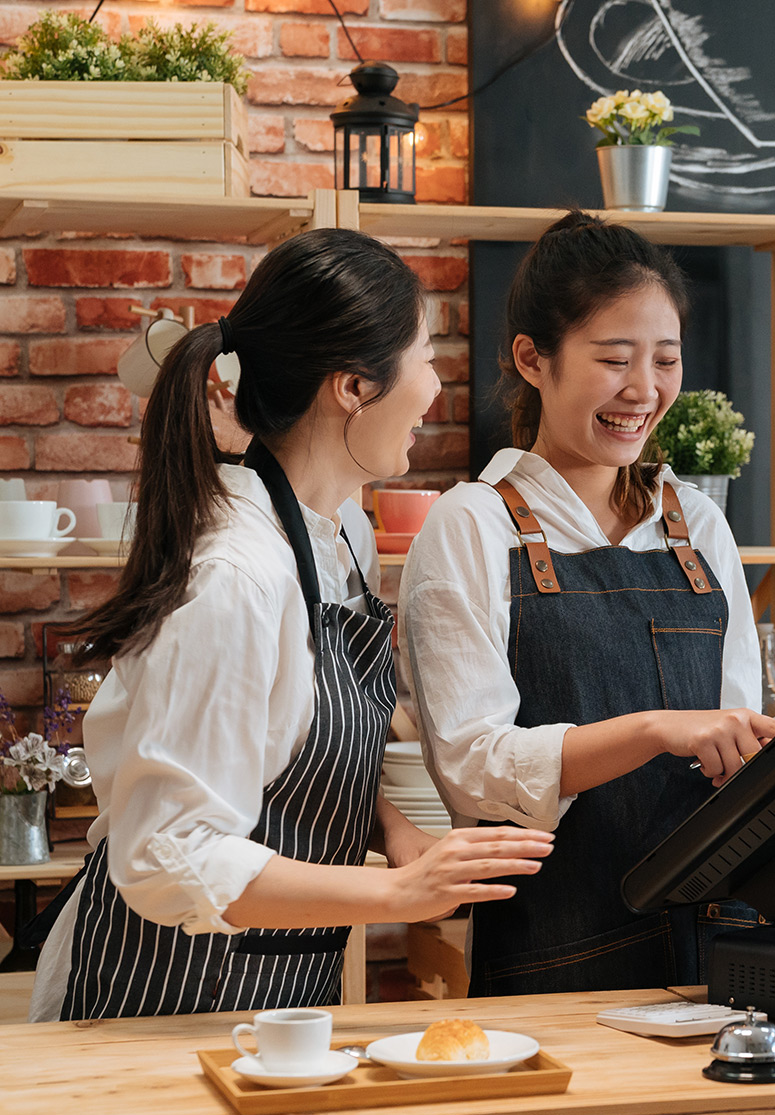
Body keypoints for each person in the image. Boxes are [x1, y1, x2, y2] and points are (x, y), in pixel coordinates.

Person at [29, 228, 552, 1023]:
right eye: (422, 358)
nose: (436, 388)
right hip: (154, 1004)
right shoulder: (235, 580)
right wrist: (399, 892)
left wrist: (391, 826)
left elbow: (284, 744)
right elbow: (170, 853)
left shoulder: (341, 533)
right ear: (352, 386)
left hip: (277, 1003)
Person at [399, 210, 775, 998]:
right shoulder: (473, 524)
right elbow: (475, 772)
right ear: (532, 360)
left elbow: (731, 736)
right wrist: (649, 732)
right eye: (614, 360)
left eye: (665, 360)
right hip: (558, 957)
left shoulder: (697, 523)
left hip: (721, 952)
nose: (644, 391)